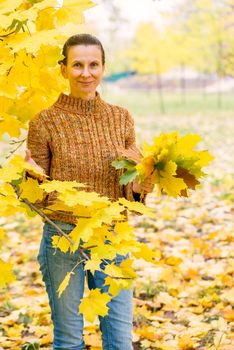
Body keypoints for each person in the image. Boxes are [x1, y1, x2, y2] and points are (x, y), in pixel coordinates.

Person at [25, 33, 154, 350]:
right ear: (63, 69)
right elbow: (35, 198)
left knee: (120, 340)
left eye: (93, 64)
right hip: (63, 237)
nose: (86, 72)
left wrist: (142, 184)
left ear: (103, 67)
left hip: (113, 236)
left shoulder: (121, 118)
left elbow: (130, 184)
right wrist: (28, 179)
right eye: (77, 65)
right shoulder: (44, 122)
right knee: (68, 340)